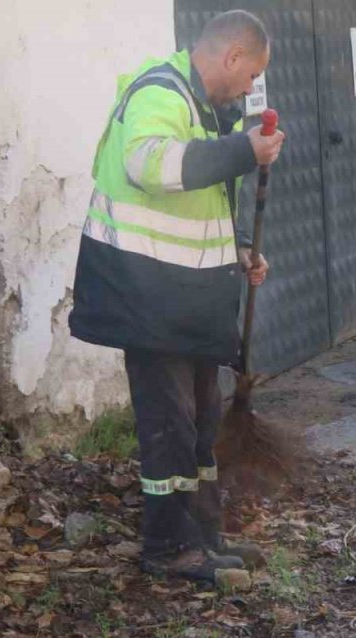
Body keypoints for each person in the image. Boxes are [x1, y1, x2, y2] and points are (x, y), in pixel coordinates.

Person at [69, 10, 286, 582]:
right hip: (146, 297)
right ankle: (167, 550)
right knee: (168, 426)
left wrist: (239, 247)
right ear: (232, 57)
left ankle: (205, 538)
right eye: (249, 75)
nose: (249, 88)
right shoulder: (159, 92)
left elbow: (202, 197)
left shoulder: (207, 108)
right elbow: (149, 164)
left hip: (182, 300)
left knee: (200, 420)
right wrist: (244, 150)